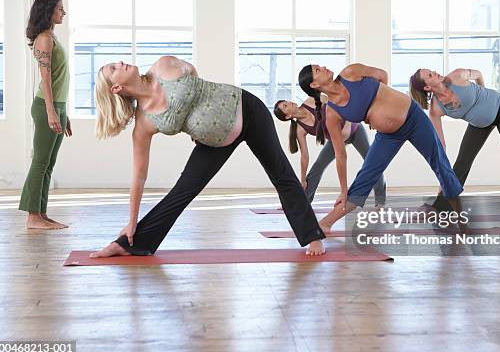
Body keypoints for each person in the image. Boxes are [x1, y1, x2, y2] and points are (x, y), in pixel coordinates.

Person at [90, 56, 326, 257]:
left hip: (248, 110)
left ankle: (312, 235)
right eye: (114, 69)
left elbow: (191, 70)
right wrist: (131, 222)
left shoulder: (163, 66)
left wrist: (201, 110)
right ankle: (131, 244)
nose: (120, 63)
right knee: (182, 191)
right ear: (116, 89)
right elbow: (139, 176)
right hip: (215, 142)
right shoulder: (144, 123)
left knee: (280, 173)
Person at [298, 63, 463, 233]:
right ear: (314, 85)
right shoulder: (332, 114)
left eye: (320, 66)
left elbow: (382, 73)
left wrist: (381, 109)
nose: (324, 67)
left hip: (414, 118)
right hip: (389, 136)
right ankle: (326, 223)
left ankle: (462, 221)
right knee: (365, 178)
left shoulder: (350, 72)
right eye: (318, 70)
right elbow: (340, 155)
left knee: (440, 163)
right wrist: (343, 190)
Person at [409, 68, 500, 217]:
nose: (435, 71)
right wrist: (443, 178)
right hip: (479, 124)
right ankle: (440, 208)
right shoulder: (436, 109)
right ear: (427, 87)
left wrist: (482, 91)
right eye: (430, 75)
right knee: (461, 164)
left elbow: (478, 74)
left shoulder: (456, 76)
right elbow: (441, 146)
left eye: (432, 70)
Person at [19, 0, 72, 229]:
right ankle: (32, 217)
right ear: (48, 10)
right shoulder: (44, 39)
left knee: (49, 164)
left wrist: (63, 112)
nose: (63, 12)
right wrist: (51, 111)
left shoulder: (52, 37)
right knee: (40, 162)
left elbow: (60, 79)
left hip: (56, 106)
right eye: (60, 8)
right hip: (45, 106)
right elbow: (46, 78)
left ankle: (41, 213)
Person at [273, 97, 386, 206]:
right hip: (335, 138)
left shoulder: (311, 101)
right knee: (318, 166)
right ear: (288, 116)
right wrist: (302, 179)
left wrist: (347, 124)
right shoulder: (300, 129)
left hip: (354, 129)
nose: (289, 102)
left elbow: (340, 102)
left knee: (371, 162)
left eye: (286, 101)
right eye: (285, 105)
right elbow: (304, 156)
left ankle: (380, 201)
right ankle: (303, 203)